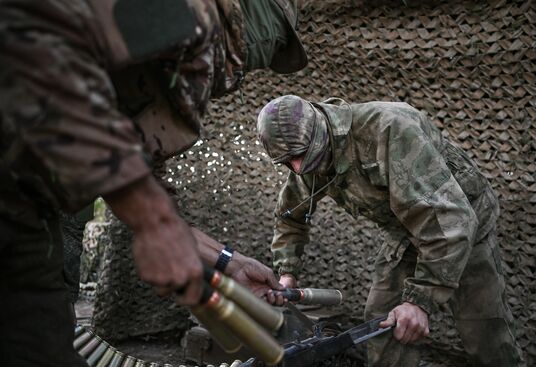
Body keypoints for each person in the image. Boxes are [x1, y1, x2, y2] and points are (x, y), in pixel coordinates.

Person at [0, 0, 307, 366]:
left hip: (24, 206)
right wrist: (153, 221)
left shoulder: (175, 59)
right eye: (274, 39)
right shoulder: (185, 13)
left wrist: (226, 263)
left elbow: (141, 172)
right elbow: (34, 55)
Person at [258, 95, 523, 366]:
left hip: (463, 223)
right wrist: (287, 273)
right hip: (405, 232)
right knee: (383, 321)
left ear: (320, 133)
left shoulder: (390, 129)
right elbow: (290, 216)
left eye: (302, 156)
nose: (299, 168)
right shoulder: (304, 158)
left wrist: (419, 301)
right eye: (289, 161)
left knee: (483, 332)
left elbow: (450, 220)